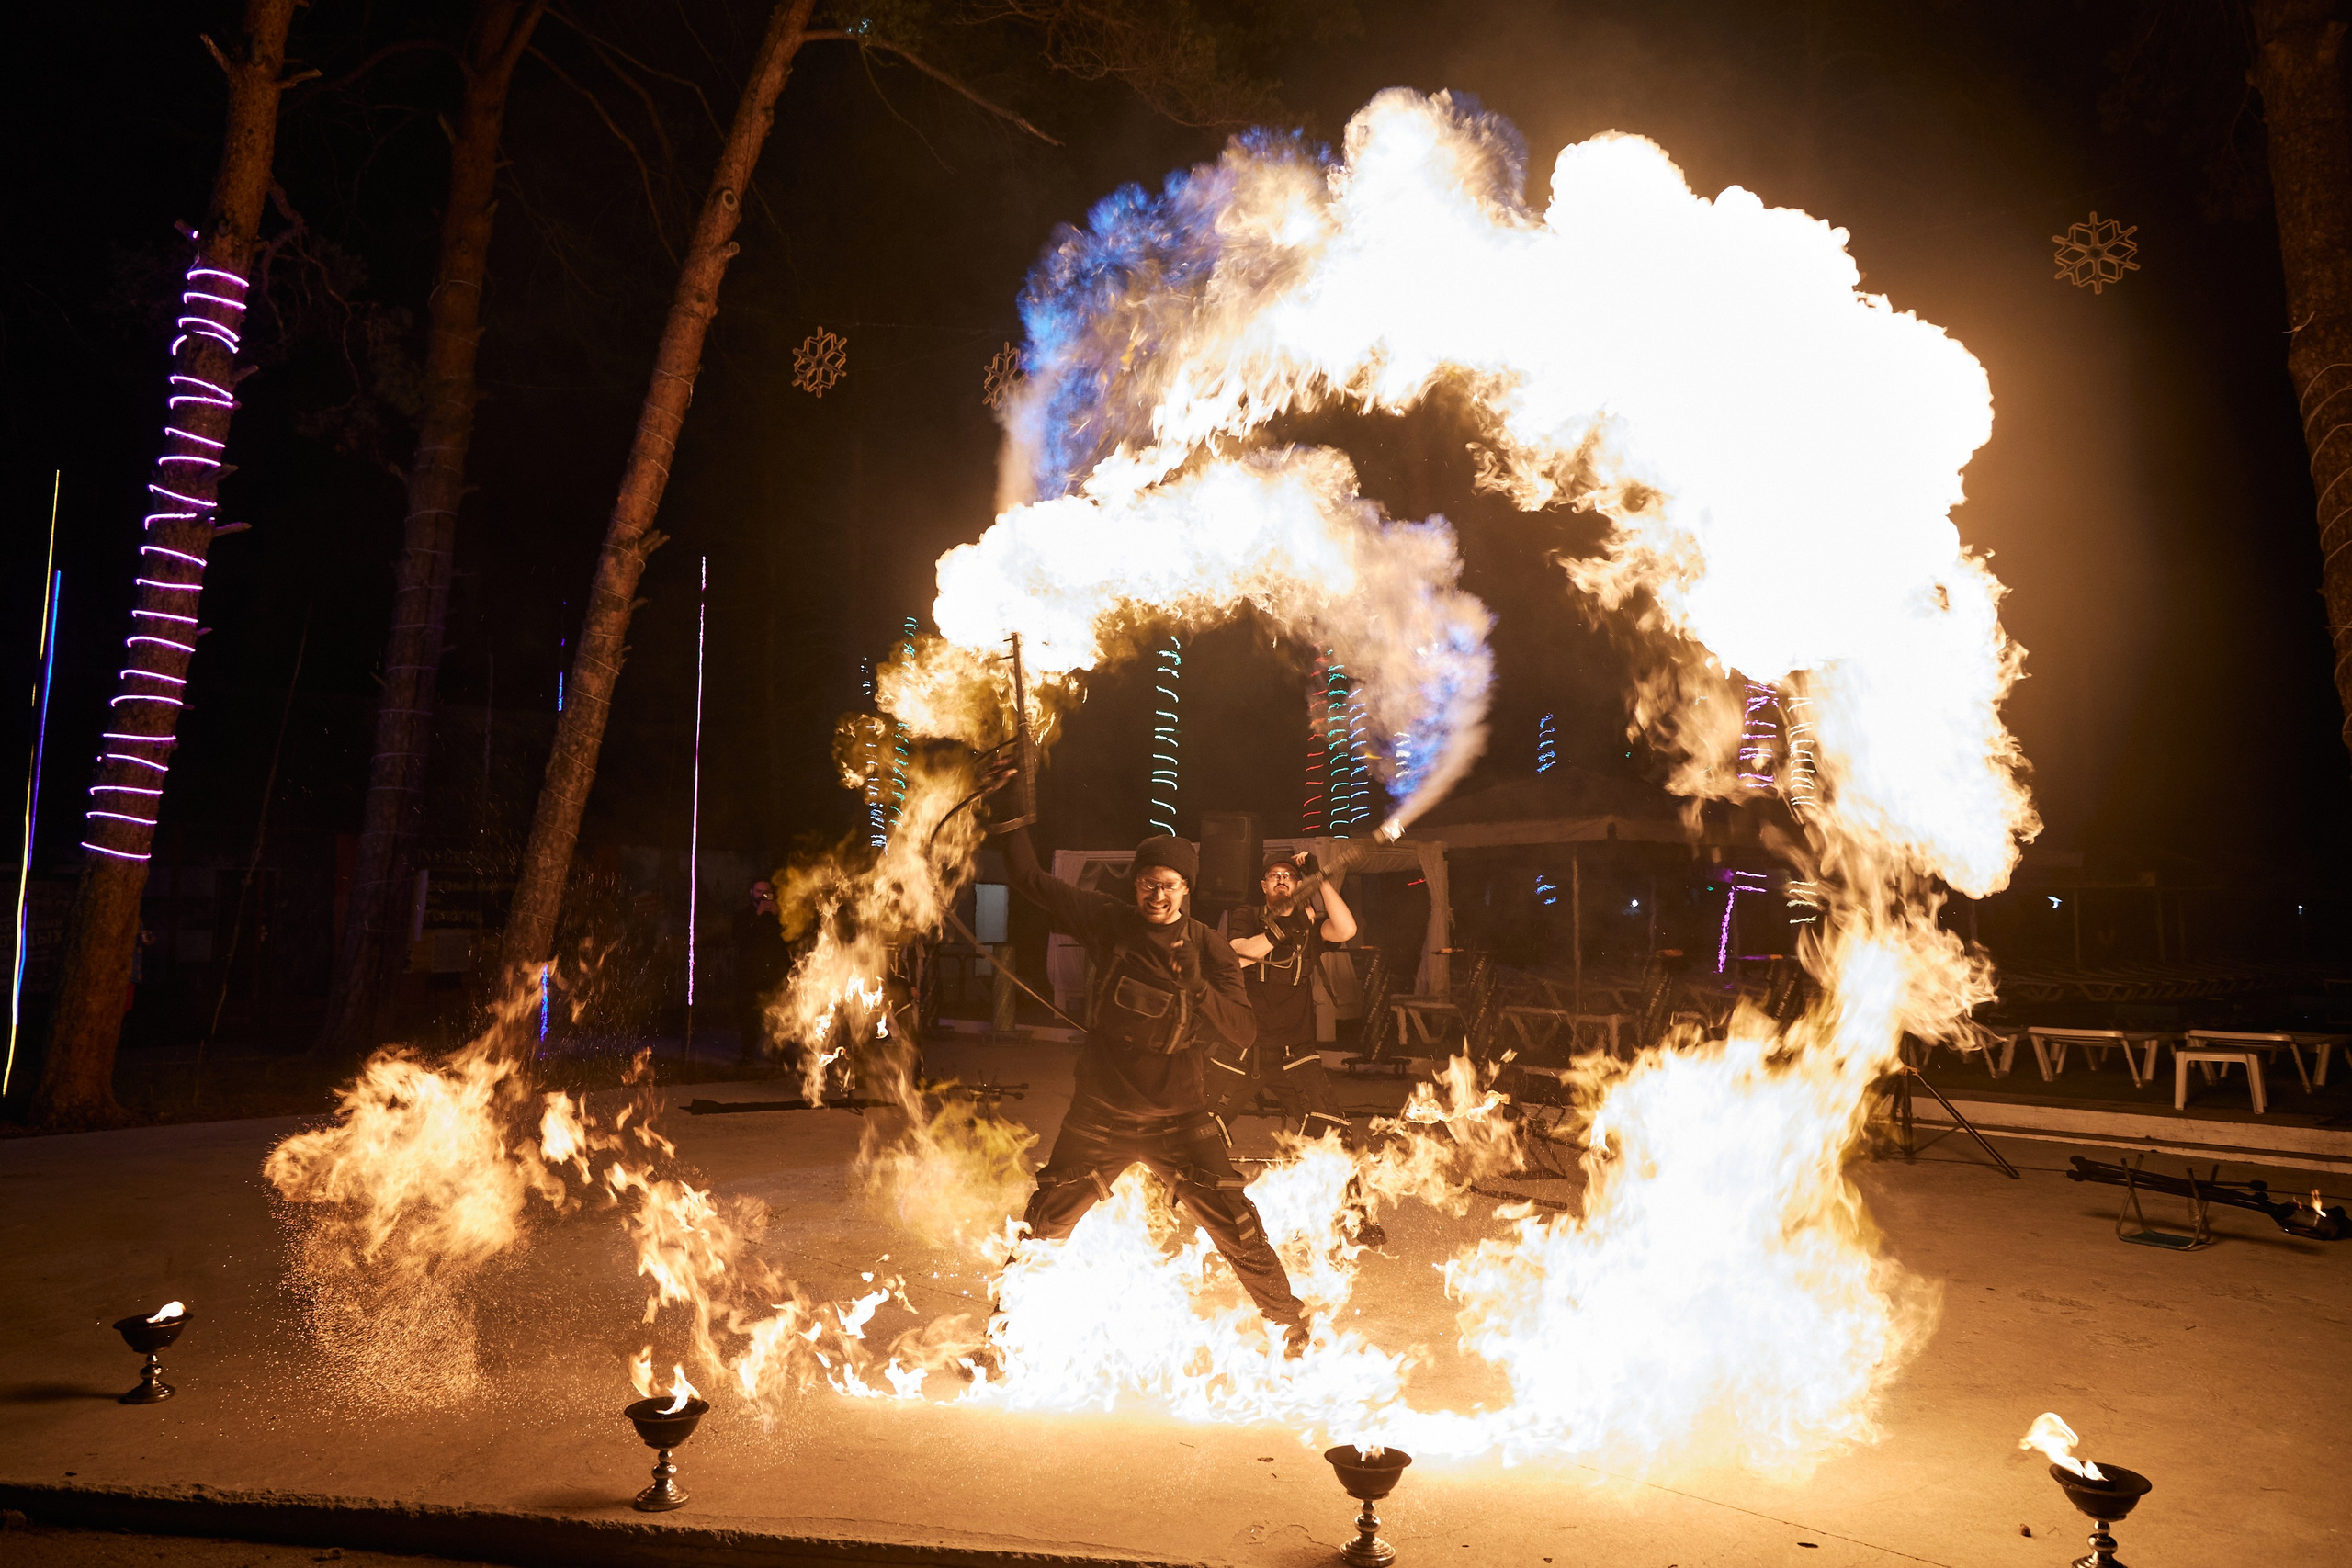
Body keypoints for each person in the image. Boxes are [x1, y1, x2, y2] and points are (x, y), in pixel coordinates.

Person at [996, 820, 1312, 1354]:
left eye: (1169, 884)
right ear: (1135, 885)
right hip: (1099, 1116)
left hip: (1181, 1119)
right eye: (1147, 883)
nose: (1157, 895)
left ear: (1187, 888)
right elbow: (1029, 879)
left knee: (1238, 1226)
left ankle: (1291, 1330)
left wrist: (1197, 987)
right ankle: (998, 1344)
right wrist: (1012, 820)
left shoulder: (1210, 947)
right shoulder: (1109, 922)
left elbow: (1244, 1030)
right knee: (1044, 1225)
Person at [1216, 850, 1385, 1248]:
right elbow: (1236, 955)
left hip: (1295, 1054)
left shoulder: (1310, 926)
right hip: (1242, 1049)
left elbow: (1345, 929)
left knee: (1335, 1134)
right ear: (1263, 886)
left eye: (1289, 877)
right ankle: (1157, 1200)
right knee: (1194, 1122)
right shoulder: (1246, 915)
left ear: (1298, 885)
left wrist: (1320, 879)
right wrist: (1282, 929)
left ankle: (1357, 1219)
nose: (1280, 881)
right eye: (1272, 876)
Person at [732, 878, 791, 1066]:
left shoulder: (780, 915)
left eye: (767, 892)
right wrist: (757, 916)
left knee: (777, 1015)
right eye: (759, 892)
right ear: (751, 893)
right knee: (749, 1016)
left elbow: (788, 938)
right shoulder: (743, 915)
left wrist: (777, 917)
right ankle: (747, 1055)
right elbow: (739, 940)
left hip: (774, 972)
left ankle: (777, 1053)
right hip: (750, 975)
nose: (763, 896)